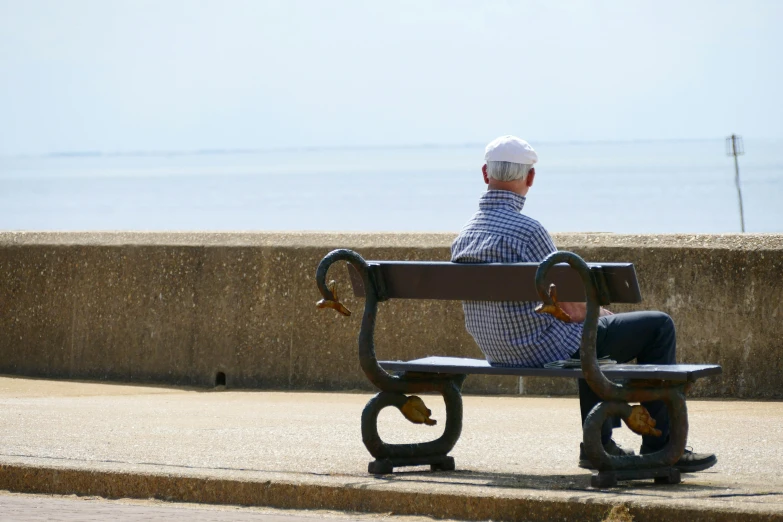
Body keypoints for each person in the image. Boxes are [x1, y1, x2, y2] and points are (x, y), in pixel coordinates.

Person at [451, 135, 716, 472]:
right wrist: (599, 313)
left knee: (591, 339)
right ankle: (662, 446)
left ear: (486, 173)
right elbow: (576, 308)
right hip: (542, 349)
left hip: (495, 350)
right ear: (529, 178)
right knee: (655, 326)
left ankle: (600, 444)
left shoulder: (465, 234)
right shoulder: (529, 232)